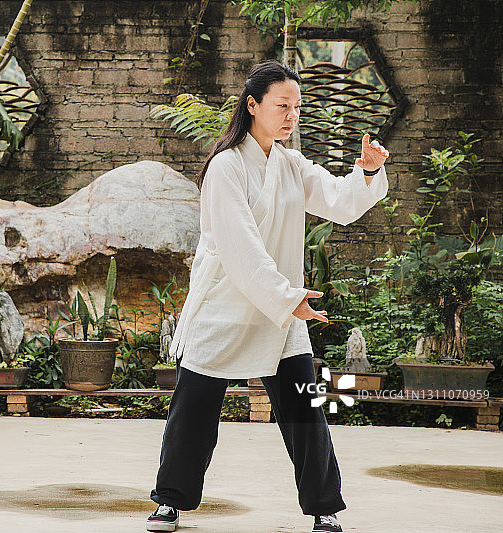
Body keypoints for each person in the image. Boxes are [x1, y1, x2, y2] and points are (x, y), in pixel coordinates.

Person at [146, 60, 389, 533]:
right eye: (282, 105)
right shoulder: (226, 167)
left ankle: (323, 507)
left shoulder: (291, 164)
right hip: (225, 305)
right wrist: (285, 297)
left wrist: (366, 171)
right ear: (253, 105)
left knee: (304, 410)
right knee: (193, 411)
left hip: (281, 309)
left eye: (296, 107)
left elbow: (339, 202)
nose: (291, 115)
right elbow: (240, 246)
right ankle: (170, 501)